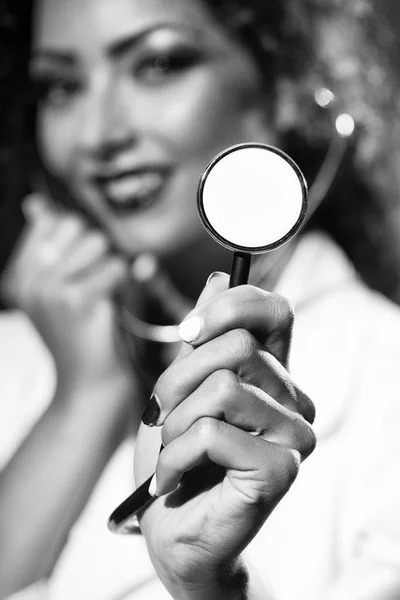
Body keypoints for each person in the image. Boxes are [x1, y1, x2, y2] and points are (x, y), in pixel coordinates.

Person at [0, 0, 400, 599]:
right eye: (62, 87)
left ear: (284, 84)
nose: (98, 134)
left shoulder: (386, 379)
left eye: (159, 64)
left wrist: (212, 587)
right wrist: (83, 398)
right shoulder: (20, 351)